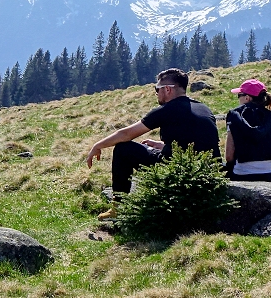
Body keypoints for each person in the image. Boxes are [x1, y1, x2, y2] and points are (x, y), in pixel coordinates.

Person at [85, 68, 220, 220]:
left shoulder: (167, 109)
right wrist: (162, 146)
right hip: (209, 169)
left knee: (123, 149)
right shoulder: (204, 108)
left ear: (167, 89)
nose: (156, 93)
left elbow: (126, 134)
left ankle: (119, 208)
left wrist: (97, 145)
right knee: (145, 149)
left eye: (157, 89)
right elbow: (195, 141)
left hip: (179, 168)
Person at [224, 79, 271, 182]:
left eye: (239, 95)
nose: (238, 99)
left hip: (241, 174)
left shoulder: (235, 116)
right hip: (269, 175)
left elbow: (229, 156)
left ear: (247, 98)